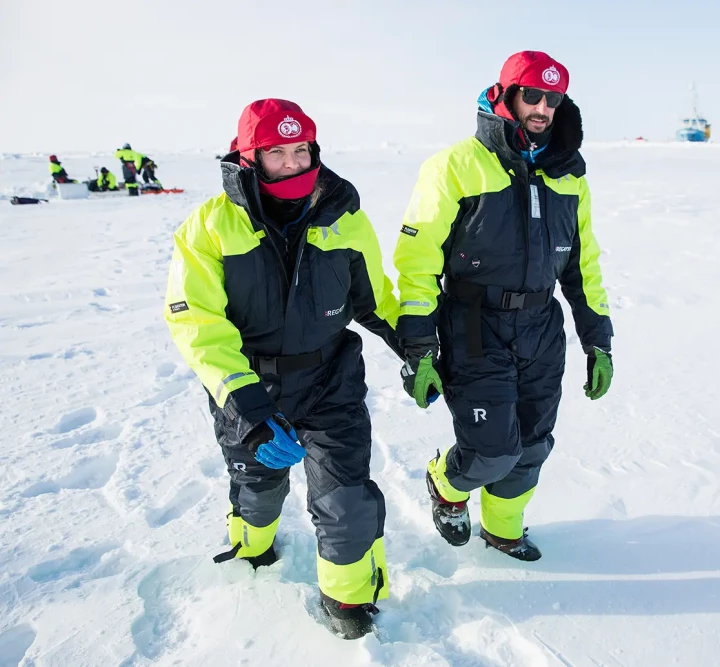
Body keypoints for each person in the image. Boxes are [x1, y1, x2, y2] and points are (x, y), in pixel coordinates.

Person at [164, 98, 402, 639]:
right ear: (250, 157)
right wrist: (249, 408)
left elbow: (374, 298)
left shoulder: (343, 214)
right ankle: (254, 544)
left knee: (345, 496)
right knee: (258, 489)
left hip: (329, 382)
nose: (293, 164)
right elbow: (196, 322)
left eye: (301, 150)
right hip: (251, 390)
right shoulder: (209, 227)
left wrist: (415, 350)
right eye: (278, 153)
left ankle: (348, 602)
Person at [393, 51, 614, 560]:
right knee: (492, 450)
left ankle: (502, 528)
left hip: (540, 325)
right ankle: (447, 486)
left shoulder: (568, 175)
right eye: (532, 95)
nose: (542, 107)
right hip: (475, 323)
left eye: (552, 99)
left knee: (533, 445)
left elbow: (584, 264)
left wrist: (597, 340)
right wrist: (420, 345)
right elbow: (417, 259)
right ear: (508, 95)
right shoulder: (455, 165)